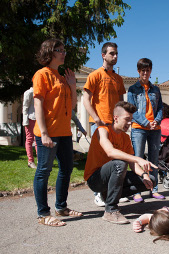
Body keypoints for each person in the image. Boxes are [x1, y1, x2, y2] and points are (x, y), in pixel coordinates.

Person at [33, 38, 82, 227]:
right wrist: (44, 133)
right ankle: (43, 214)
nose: (64, 53)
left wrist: (71, 85)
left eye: (64, 50)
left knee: (67, 168)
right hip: (48, 132)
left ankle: (61, 207)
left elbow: (73, 106)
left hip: (64, 132)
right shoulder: (42, 74)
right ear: (49, 53)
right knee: (44, 170)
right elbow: (38, 104)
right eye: (59, 50)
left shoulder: (62, 76)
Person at [84, 101, 156, 224]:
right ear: (116, 118)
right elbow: (110, 152)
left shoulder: (125, 138)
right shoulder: (102, 130)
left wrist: (144, 175)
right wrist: (138, 158)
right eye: (127, 119)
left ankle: (107, 196)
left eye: (131, 120)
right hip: (95, 179)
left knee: (152, 180)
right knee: (119, 164)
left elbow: (132, 164)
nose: (130, 123)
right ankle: (110, 210)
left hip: (112, 176)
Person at [83, 42, 126, 206]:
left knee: (114, 159)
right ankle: (98, 194)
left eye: (116, 54)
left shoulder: (118, 79)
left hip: (115, 126)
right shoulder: (94, 75)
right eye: (112, 53)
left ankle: (111, 192)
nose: (115, 56)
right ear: (103, 55)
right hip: (101, 124)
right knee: (100, 159)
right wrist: (96, 118)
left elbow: (121, 103)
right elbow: (85, 99)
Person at [127, 58, 164, 202]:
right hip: (139, 128)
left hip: (155, 128)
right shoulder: (132, 89)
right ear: (138, 71)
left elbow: (160, 107)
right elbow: (132, 110)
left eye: (148, 70)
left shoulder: (156, 89)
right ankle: (137, 191)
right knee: (138, 158)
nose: (145, 73)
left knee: (154, 158)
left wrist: (157, 121)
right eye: (143, 70)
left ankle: (154, 189)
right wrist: (146, 123)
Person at [22, 87, 37, 169]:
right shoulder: (29, 92)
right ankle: (30, 161)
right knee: (29, 139)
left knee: (38, 140)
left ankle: (40, 160)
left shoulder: (41, 91)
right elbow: (25, 107)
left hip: (38, 119)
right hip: (30, 119)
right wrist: (25, 121)